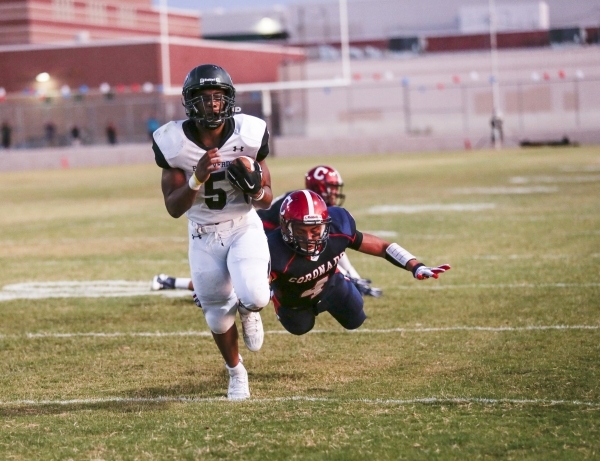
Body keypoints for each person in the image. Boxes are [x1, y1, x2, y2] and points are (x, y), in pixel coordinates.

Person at [153, 63, 274, 400]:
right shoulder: (173, 142)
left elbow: (266, 200)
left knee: (256, 296)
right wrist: (197, 177)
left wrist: (252, 188)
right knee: (218, 315)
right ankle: (237, 373)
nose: (212, 105)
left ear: (228, 99)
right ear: (190, 103)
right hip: (203, 232)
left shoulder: (249, 134)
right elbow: (174, 208)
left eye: (218, 97)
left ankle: (249, 309)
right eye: (204, 98)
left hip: (242, 226)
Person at [152, 165, 383, 297]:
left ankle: (169, 281)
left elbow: (333, 248)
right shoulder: (308, 208)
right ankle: (169, 282)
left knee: (233, 285)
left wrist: (354, 277)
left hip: (275, 240)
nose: (334, 193)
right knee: (229, 286)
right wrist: (354, 278)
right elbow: (335, 250)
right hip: (258, 238)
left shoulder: (311, 205)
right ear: (319, 187)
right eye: (331, 188)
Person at [269, 190, 450, 335]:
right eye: (301, 231)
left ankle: (339, 276)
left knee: (355, 319)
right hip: (293, 300)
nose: (309, 238)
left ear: (326, 224)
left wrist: (415, 266)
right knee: (300, 327)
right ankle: (278, 300)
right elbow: (251, 289)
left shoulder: (338, 229)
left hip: (330, 284)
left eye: (315, 230)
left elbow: (382, 247)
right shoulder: (272, 250)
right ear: (285, 227)